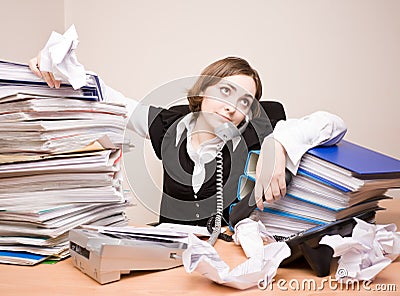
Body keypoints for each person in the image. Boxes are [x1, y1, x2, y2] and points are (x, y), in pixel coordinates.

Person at [29, 54, 347, 227]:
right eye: (225, 91)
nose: (232, 106)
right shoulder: (170, 124)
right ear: (203, 91)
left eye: (245, 101)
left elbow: (333, 123)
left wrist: (279, 143)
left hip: (227, 260)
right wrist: (59, 69)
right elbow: (112, 101)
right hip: (169, 258)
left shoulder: (260, 130)